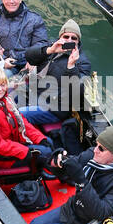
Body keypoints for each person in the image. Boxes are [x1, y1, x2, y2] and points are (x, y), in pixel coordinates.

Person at [30, 127, 113, 224]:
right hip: (75, 206)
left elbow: (101, 212)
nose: (95, 150)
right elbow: (70, 166)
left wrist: (81, 180)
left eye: (101, 148)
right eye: (96, 144)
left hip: (92, 223)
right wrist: (57, 161)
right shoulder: (93, 155)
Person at [20, 19, 93, 153]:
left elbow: (77, 91)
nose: (69, 40)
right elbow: (29, 56)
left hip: (54, 107)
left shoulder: (82, 62)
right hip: (35, 93)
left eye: (73, 38)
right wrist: (49, 50)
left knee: (19, 115)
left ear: (78, 41)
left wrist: (71, 67)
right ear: (60, 37)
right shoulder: (53, 47)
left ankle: (25, 144)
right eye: (66, 36)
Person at [0, 68, 53, 172]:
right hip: (1, 157)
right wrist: (24, 151)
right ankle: (48, 171)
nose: (0, 89)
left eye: (3, 85)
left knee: (47, 141)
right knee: (45, 151)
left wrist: (40, 138)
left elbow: (22, 122)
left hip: (12, 143)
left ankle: (49, 167)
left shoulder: (5, 100)